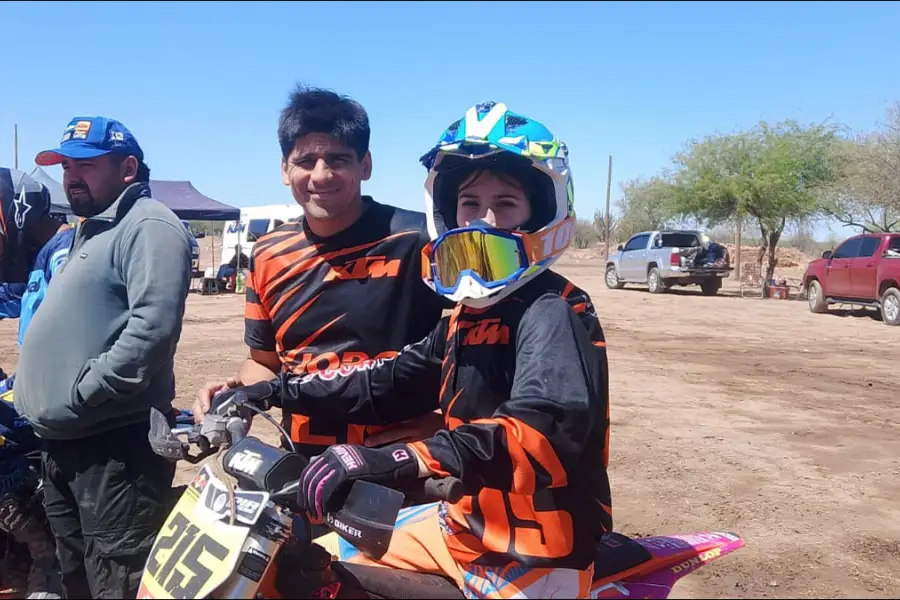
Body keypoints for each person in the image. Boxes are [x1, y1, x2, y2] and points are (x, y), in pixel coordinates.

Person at [283, 101, 612, 599]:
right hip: (461, 527)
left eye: (505, 203)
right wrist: (279, 390)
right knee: (324, 563)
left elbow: (541, 428)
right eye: (469, 203)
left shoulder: (553, 309)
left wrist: (404, 458)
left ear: (542, 212)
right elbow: (387, 377)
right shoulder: (467, 315)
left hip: (535, 554)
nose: (483, 220)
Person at [193, 85, 448, 459]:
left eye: (338, 159)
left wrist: (449, 421)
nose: (322, 174)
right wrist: (238, 398)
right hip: (301, 465)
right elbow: (263, 362)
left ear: (365, 165)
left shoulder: (421, 240)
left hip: (402, 467)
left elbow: (488, 344)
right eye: (306, 161)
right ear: (285, 169)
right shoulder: (267, 253)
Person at [13, 116, 193, 599]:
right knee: (75, 577)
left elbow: (152, 329)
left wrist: (85, 392)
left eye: (86, 166)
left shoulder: (148, 224)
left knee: (117, 577)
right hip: (65, 444)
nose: (71, 177)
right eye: (67, 167)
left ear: (127, 168)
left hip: (113, 448)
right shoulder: (90, 231)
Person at [0, 167, 72, 598]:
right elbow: (12, 296)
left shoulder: (63, 251)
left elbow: (64, 323)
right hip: (34, 381)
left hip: (54, 387)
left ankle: (44, 555)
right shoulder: (42, 255)